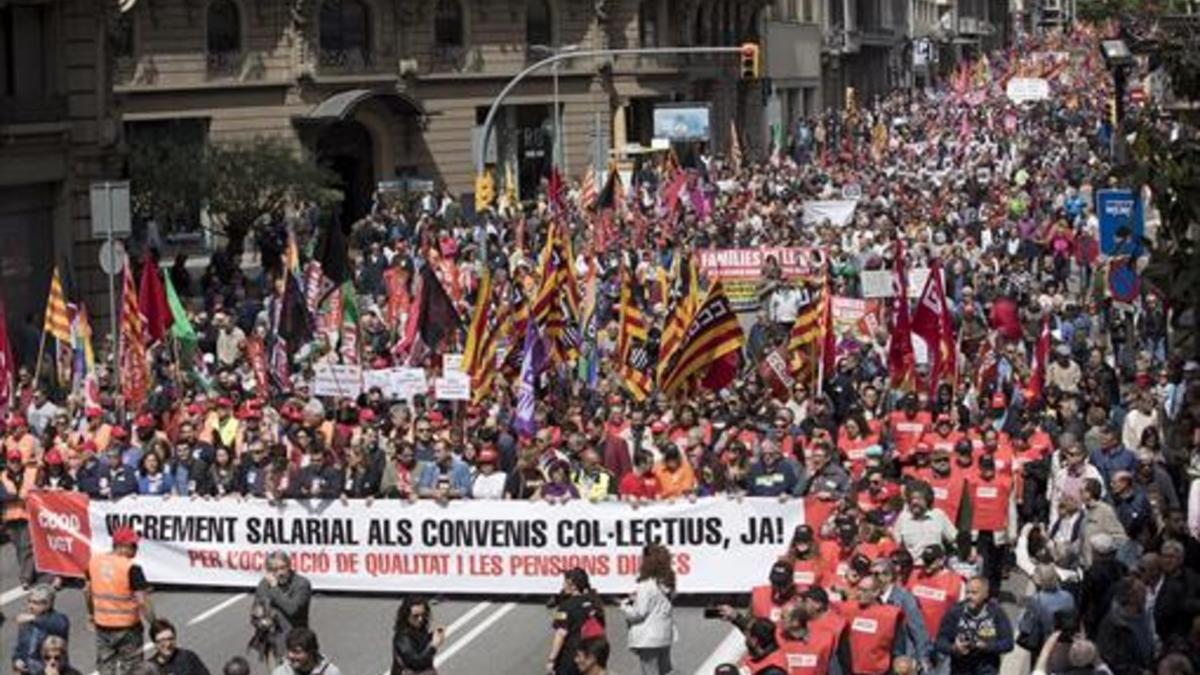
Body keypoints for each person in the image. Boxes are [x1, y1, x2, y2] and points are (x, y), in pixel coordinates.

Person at [86, 526, 155, 675]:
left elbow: (87, 591)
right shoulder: (131, 568)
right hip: (128, 629)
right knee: (132, 669)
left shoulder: (94, 562)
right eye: (133, 545)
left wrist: (91, 614)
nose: (136, 549)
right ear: (121, 546)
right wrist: (154, 624)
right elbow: (142, 602)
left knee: (105, 668)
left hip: (102, 626)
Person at [934, 577, 1014, 675]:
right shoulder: (955, 612)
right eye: (967, 592)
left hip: (986, 669)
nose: (969, 596)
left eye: (974, 593)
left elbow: (1008, 643)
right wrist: (954, 648)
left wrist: (986, 646)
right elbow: (940, 641)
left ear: (985, 594)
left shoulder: (996, 613)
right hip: (960, 670)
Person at [619, 543, 675, 675]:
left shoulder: (645, 585)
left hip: (648, 637)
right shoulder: (666, 582)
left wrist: (625, 606)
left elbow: (639, 612)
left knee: (650, 671)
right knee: (665, 670)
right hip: (664, 634)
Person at [251, 551, 313, 669]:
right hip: (272, 644)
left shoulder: (301, 584)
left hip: (295, 645)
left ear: (289, 566)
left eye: (282, 568)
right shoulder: (264, 585)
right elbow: (255, 612)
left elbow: (292, 609)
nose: (280, 573)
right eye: (274, 569)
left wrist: (274, 589)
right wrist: (261, 622)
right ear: (269, 571)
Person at [839, 574, 905, 675]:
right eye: (859, 589)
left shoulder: (890, 615)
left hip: (878, 671)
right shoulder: (847, 609)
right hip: (849, 670)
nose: (859, 593)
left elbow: (898, 649)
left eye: (864, 590)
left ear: (876, 592)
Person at [547, 568, 606, 675]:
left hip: (571, 657)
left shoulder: (566, 606)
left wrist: (552, 659)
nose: (563, 585)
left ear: (573, 586)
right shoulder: (594, 602)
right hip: (592, 655)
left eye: (565, 582)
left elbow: (561, 633)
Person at [1017, 565, 1077, 659]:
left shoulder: (1037, 600)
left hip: (1044, 645)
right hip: (1063, 643)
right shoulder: (1068, 596)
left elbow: (1025, 626)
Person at [11, 585, 69, 675]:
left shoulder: (58, 619)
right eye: (29, 601)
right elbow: (19, 647)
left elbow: (60, 625)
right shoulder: (26, 622)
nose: (30, 606)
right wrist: (16, 660)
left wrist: (34, 618)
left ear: (47, 604)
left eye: (35, 603)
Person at [2, 447, 38, 587]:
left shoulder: (29, 474)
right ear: (8, 462)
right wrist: (16, 497)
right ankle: (27, 571)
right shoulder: (2, 476)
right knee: (18, 547)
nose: (15, 463)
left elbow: (35, 491)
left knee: (27, 546)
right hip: (10, 517)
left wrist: (21, 498)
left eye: (17, 460)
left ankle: (26, 577)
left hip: (26, 515)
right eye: (12, 461)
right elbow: (2, 495)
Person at [390, 596, 445, 675]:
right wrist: (433, 646)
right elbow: (416, 662)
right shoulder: (402, 637)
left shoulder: (419, 629)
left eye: (423, 614)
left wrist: (433, 636)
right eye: (415, 616)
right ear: (406, 615)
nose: (420, 619)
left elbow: (420, 645)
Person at [271, 627, 342, 675]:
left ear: (311, 652)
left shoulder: (331, 672)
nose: (290, 655)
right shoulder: (280, 673)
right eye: (289, 650)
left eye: (297, 652)